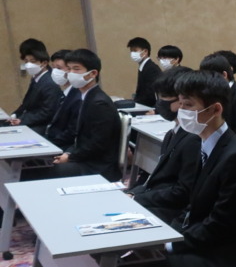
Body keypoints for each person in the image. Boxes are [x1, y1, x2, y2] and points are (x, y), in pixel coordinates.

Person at [113, 70, 236, 267]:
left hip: (219, 257)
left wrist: (169, 244)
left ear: (215, 109)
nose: (181, 112)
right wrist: (164, 237)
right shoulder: (206, 144)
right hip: (197, 242)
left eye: (189, 106)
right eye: (181, 104)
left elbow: (219, 226)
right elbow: (192, 208)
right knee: (122, 264)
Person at [129, 66, 202, 223]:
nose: (160, 102)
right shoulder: (173, 133)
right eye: (159, 96)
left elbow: (182, 193)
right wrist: (133, 193)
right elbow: (155, 179)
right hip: (158, 199)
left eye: (165, 97)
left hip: (174, 212)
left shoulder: (194, 139)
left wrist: (137, 197)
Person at [44, 48, 121, 181]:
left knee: (52, 169)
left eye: (77, 69)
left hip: (98, 166)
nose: (71, 73)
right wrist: (69, 153)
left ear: (93, 73)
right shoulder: (86, 96)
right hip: (87, 158)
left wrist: (70, 157)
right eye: (69, 69)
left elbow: (98, 144)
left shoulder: (99, 103)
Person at [9, 46, 59, 135]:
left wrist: (22, 120)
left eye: (32, 61)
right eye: (26, 61)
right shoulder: (36, 78)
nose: (28, 64)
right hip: (29, 120)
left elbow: (47, 112)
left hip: (41, 125)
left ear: (44, 63)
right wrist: (15, 115)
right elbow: (26, 104)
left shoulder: (49, 82)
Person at [127, 36, 162, 108]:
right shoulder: (143, 67)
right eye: (131, 51)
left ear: (145, 51)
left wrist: (136, 103)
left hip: (149, 107)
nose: (132, 54)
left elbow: (151, 94)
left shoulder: (152, 69)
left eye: (135, 50)